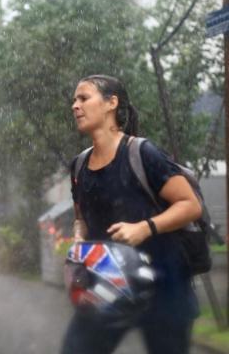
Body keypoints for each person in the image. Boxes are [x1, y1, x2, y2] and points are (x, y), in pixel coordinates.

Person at [60, 74, 202, 354]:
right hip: (107, 283)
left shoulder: (142, 154)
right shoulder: (79, 166)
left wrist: (145, 228)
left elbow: (190, 205)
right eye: (74, 100)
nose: (75, 106)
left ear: (111, 103)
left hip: (165, 287)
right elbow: (81, 219)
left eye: (84, 98)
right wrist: (79, 239)